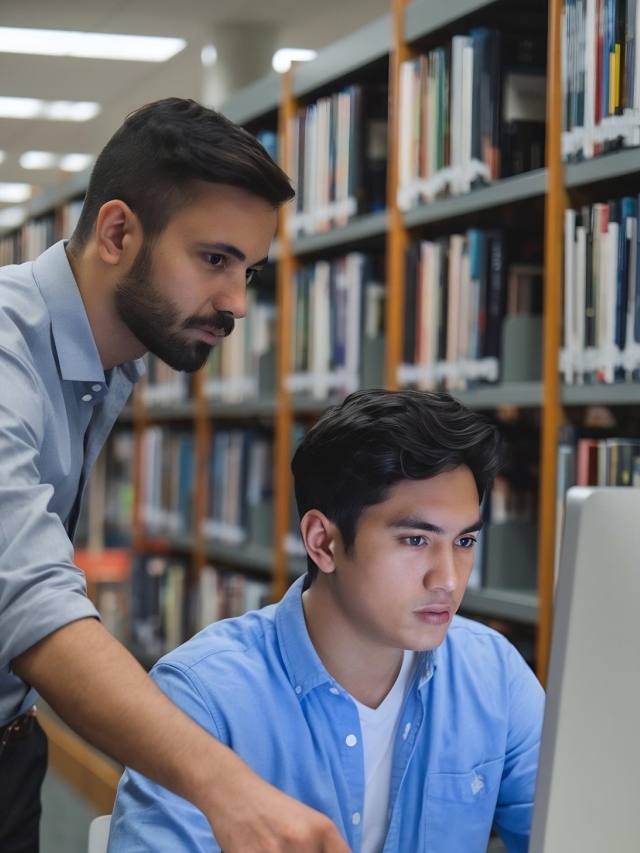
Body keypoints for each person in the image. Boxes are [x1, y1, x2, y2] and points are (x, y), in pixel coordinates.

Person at [0, 97, 351, 853]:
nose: (237, 304)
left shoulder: (108, 361)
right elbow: (31, 607)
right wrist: (228, 789)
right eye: (215, 259)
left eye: (248, 270)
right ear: (119, 232)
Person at [109, 389, 545, 853]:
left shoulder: (494, 675)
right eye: (416, 540)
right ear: (323, 542)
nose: (450, 580)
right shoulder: (202, 698)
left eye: (464, 542)